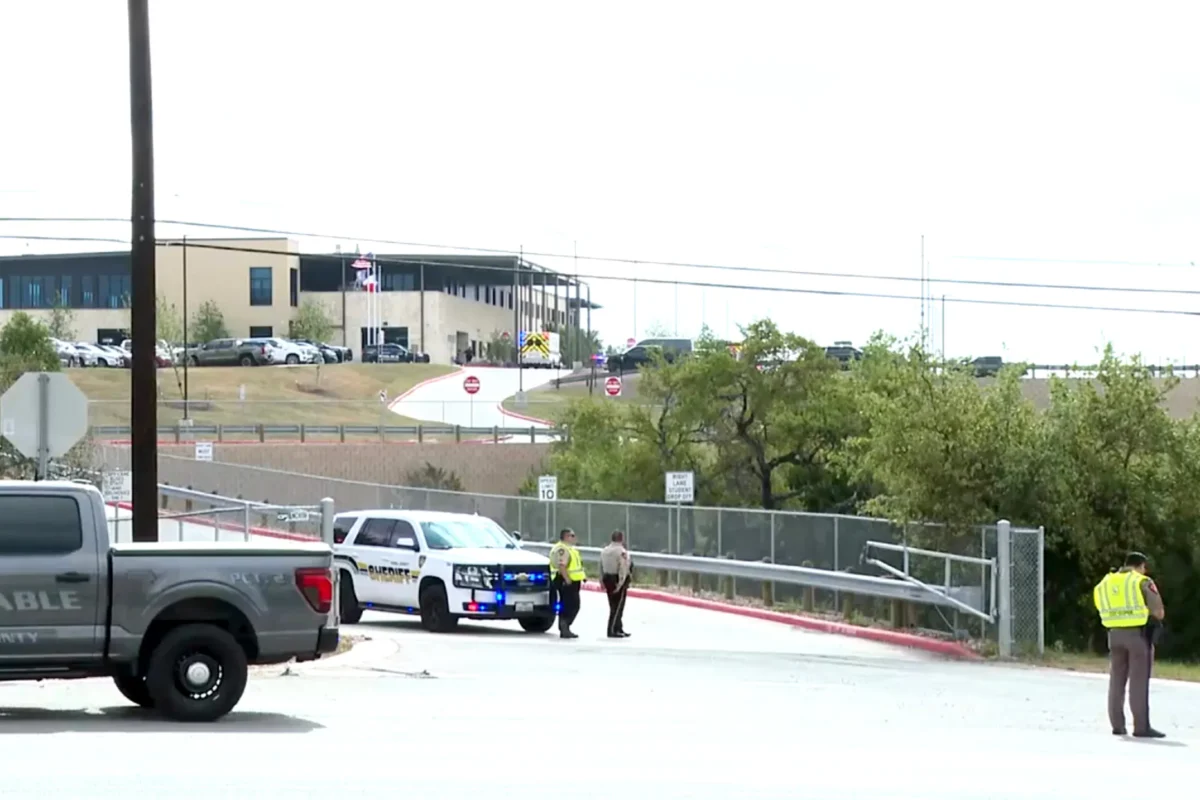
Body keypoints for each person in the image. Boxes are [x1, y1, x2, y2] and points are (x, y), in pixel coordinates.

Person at [1093, 551, 1166, 738]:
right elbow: (1158, 612)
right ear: (1140, 565)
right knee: (1138, 681)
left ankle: (1117, 725)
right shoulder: (1142, 581)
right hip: (1137, 636)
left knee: (1116, 680)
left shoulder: (1105, 582)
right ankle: (1141, 727)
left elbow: (1099, 604)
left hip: (1114, 635)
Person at [548, 528, 585, 639]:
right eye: (572, 535)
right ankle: (564, 627)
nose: (574, 538)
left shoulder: (570, 549)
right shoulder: (562, 549)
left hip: (572, 580)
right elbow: (562, 565)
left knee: (570, 604)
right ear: (566, 537)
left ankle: (565, 627)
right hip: (565, 580)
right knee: (571, 605)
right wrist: (567, 579)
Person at [600, 531, 632, 638]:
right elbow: (623, 568)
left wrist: (601, 580)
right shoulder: (622, 552)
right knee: (617, 607)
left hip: (607, 578)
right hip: (616, 579)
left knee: (613, 604)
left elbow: (600, 566)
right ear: (621, 538)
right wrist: (621, 583)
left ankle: (619, 627)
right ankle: (612, 630)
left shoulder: (605, 550)